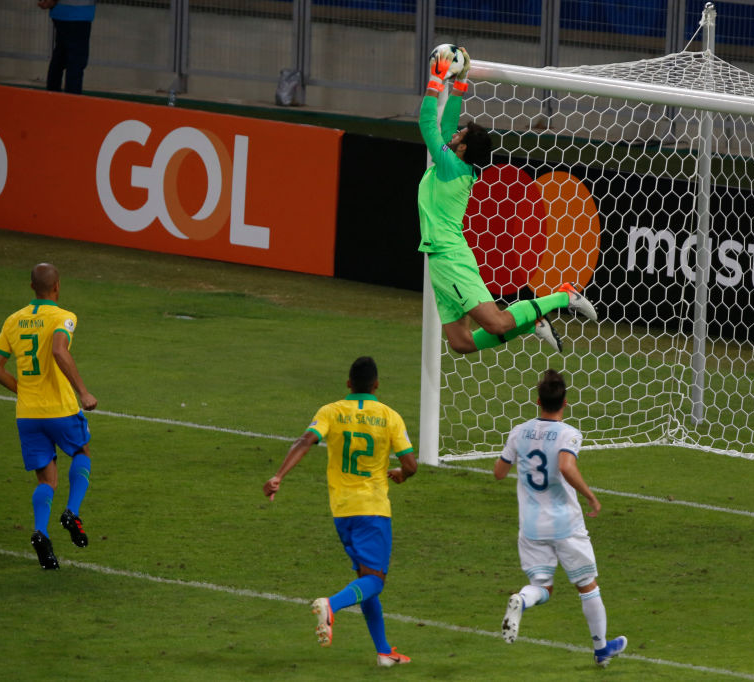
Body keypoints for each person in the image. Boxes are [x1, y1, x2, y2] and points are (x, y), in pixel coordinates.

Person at [419, 46, 598, 355]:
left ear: (462, 149)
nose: (454, 133)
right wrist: (459, 82)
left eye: (460, 135)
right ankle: (531, 322)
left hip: (450, 257)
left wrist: (435, 81)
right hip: (440, 258)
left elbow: (426, 123)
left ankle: (565, 296)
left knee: (497, 323)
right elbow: (446, 125)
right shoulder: (454, 162)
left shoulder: (449, 165)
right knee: (461, 343)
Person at [263, 356, 417, 667]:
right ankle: (331, 605)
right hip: (373, 509)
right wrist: (401, 474)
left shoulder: (330, 411)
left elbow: (305, 441)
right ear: (376, 385)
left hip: (342, 510)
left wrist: (279, 475)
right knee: (375, 581)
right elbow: (411, 465)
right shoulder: (390, 417)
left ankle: (384, 652)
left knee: (366, 580)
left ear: (348, 384)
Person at [493, 369, 627, 667]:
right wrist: (590, 495)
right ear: (565, 402)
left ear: (537, 401)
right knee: (587, 585)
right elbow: (566, 466)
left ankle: (522, 600)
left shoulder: (519, 431)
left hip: (531, 525)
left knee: (542, 586)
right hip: (565, 523)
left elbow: (499, 472)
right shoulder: (569, 434)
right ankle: (601, 649)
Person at [0, 263, 97, 570]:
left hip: (28, 414)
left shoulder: (13, 320)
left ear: (31, 287)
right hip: (60, 408)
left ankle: (41, 533)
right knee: (81, 452)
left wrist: (22, 390)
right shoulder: (63, 317)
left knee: (46, 479)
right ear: (57, 286)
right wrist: (83, 392)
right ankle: (72, 512)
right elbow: (59, 351)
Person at [38, 0, 96, 95]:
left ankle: (52, 95)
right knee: (75, 62)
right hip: (79, 14)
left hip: (61, 12)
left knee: (60, 57)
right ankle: (72, 99)